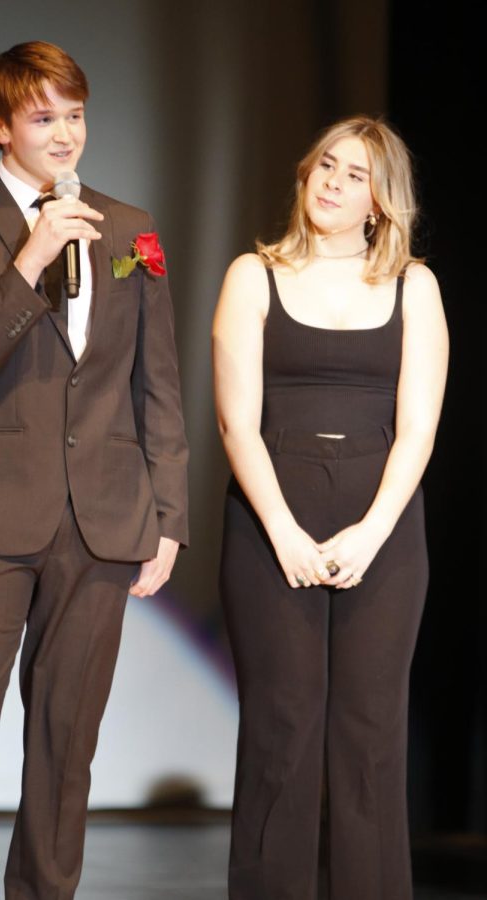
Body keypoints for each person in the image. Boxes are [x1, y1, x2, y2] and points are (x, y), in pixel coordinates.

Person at [0, 41, 188, 900]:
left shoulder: (133, 228)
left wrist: (167, 513)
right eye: (43, 118)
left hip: (101, 518)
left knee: (67, 738)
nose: (65, 135)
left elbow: (157, 380)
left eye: (75, 115)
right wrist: (32, 257)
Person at [212, 116, 448, 899]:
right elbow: (234, 421)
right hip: (269, 522)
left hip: (380, 530)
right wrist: (282, 531)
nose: (334, 182)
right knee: (281, 726)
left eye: (355, 174)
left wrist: (371, 534)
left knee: (370, 735)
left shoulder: (415, 284)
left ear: (381, 200)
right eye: (326, 165)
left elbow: (417, 428)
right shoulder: (254, 273)